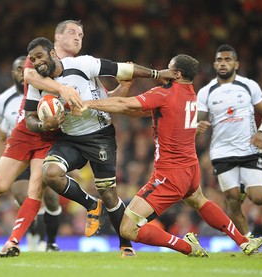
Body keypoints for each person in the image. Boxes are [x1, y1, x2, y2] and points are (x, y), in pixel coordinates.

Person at [79, 54, 262, 256]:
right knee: (198, 200)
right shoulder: (191, 95)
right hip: (190, 169)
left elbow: (125, 105)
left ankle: (187, 247)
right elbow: (138, 111)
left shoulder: (164, 94)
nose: (163, 71)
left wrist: (88, 103)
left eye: (168, 68)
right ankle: (243, 241)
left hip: (169, 174)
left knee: (128, 227)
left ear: (176, 74)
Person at [24, 37, 175, 258]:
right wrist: (42, 124)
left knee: (109, 193)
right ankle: (90, 205)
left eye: (40, 56)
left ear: (53, 53)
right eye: (33, 59)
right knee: (50, 172)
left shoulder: (82, 64)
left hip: (99, 136)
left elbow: (122, 69)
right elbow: (29, 118)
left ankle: (126, 246)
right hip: (69, 138)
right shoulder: (38, 83)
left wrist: (157, 74)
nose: (37, 62)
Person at [0, 20, 88, 257]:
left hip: (51, 139)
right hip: (26, 132)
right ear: (57, 40)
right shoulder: (36, 65)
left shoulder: (82, 67)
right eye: (72, 33)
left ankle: (13, 242)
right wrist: (59, 95)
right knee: (1, 185)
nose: (77, 37)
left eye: (80, 34)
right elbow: (28, 93)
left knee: (35, 191)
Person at [197, 44, 262, 236]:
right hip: (222, 151)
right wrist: (197, 126)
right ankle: (248, 241)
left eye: (228, 60)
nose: (223, 64)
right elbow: (197, 120)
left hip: (248, 149)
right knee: (232, 199)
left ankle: (242, 186)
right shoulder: (206, 92)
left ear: (236, 64)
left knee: (259, 197)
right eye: (219, 60)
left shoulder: (249, 86)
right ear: (215, 64)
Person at [0, 56, 61, 251]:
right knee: (21, 194)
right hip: (19, 153)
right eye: (18, 70)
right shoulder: (3, 100)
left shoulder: (46, 91)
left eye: (23, 69)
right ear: (13, 73)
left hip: (43, 149)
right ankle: (36, 240)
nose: (21, 73)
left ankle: (50, 242)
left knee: (50, 197)